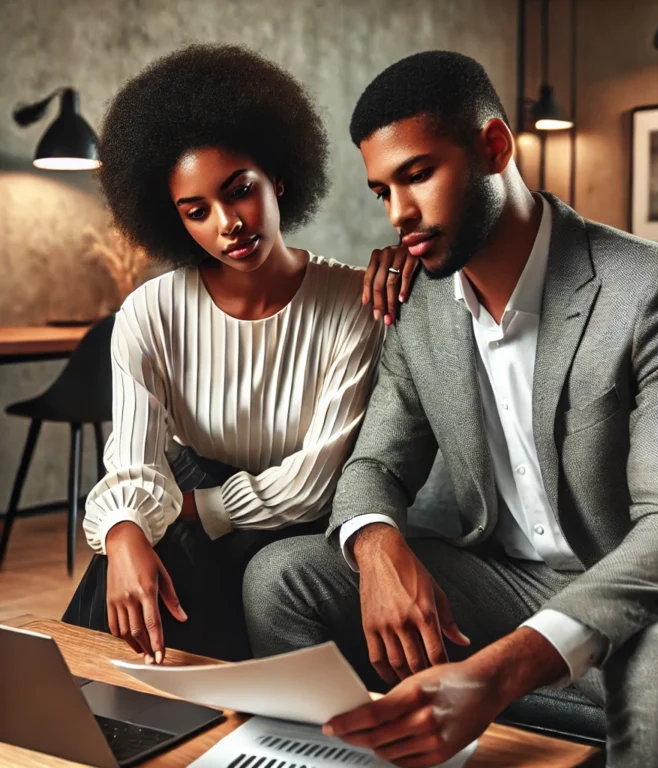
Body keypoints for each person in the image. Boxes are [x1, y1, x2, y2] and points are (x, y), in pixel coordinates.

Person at [242, 51, 658, 767]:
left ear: (494, 148)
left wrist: (492, 674)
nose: (399, 214)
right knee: (282, 577)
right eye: (381, 191)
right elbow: (375, 462)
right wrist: (376, 544)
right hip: (507, 576)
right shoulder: (418, 307)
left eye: (419, 174)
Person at [63, 44, 419, 663]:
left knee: (174, 550)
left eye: (240, 191)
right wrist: (122, 537)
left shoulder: (350, 302)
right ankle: (90, 719)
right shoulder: (150, 312)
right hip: (187, 500)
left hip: (297, 520)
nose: (227, 223)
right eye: (197, 211)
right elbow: (134, 459)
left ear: (277, 177)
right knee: (134, 560)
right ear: (175, 221)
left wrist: (192, 511)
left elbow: (316, 483)